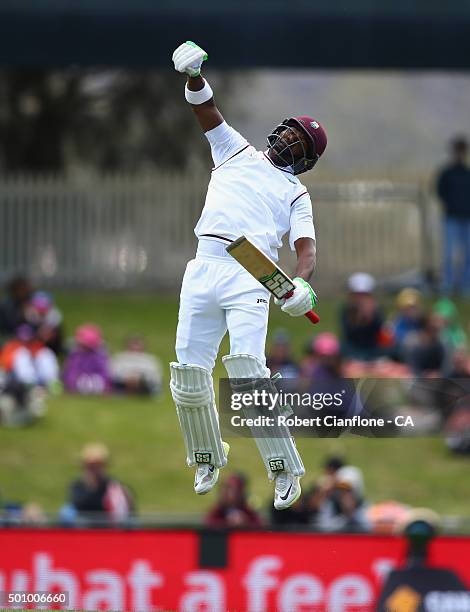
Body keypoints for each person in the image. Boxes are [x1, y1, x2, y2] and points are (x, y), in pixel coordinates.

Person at [169, 41, 325, 510]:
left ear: (305, 159)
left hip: (250, 276)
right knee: (189, 373)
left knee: (246, 375)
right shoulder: (233, 150)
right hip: (204, 265)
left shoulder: (297, 194)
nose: (285, 139)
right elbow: (207, 108)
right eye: (287, 132)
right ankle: (206, 454)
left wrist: (301, 282)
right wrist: (194, 75)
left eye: (297, 141)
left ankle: (284, 469)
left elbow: (306, 248)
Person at [61, 443, 135, 524]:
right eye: (91, 465)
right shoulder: (77, 485)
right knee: (66, 512)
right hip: (82, 527)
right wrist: (92, 487)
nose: (94, 469)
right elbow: (78, 504)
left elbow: (123, 511)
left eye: (98, 465)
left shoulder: (113, 486)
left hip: (108, 526)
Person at [436, 136, 470, 295]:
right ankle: (448, 284)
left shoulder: (467, 173)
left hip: (467, 218)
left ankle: (465, 285)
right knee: (448, 253)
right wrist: (450, 204)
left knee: (468, 253)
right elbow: (439, 191)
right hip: (451, 218)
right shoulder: (446, 173)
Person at [340, 273, 387, 361]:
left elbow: (379, 332)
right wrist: (358, 318)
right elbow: (348, 333)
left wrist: (370, 317)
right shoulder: (345, 310)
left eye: (364, 295)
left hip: (373, 348)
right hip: (352, 348)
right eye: (357, 294)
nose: (360, 298)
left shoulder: (377, 310)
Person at [317, 465, 370, 532]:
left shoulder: (363, 505)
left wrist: (351, 513)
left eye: (348, 490)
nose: (344, 493)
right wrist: (345, 518)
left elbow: (368, 527)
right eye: (341, 489)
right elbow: (323, 527)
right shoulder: (332, 503)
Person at [62, 324, 112, 394]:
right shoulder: (76, 356)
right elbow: (71, 372)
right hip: (79, 381)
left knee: (92, 382)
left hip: (95, 382)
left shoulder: (99, 357)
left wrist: (106, 386)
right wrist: (70, 384)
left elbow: (104, 374)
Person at [0, 275, 33, 344]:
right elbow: (9, 325)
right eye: (21, 289)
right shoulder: (6, 305)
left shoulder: (30, 302)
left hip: (29, 337)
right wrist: (22, 314)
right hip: (9, 337)